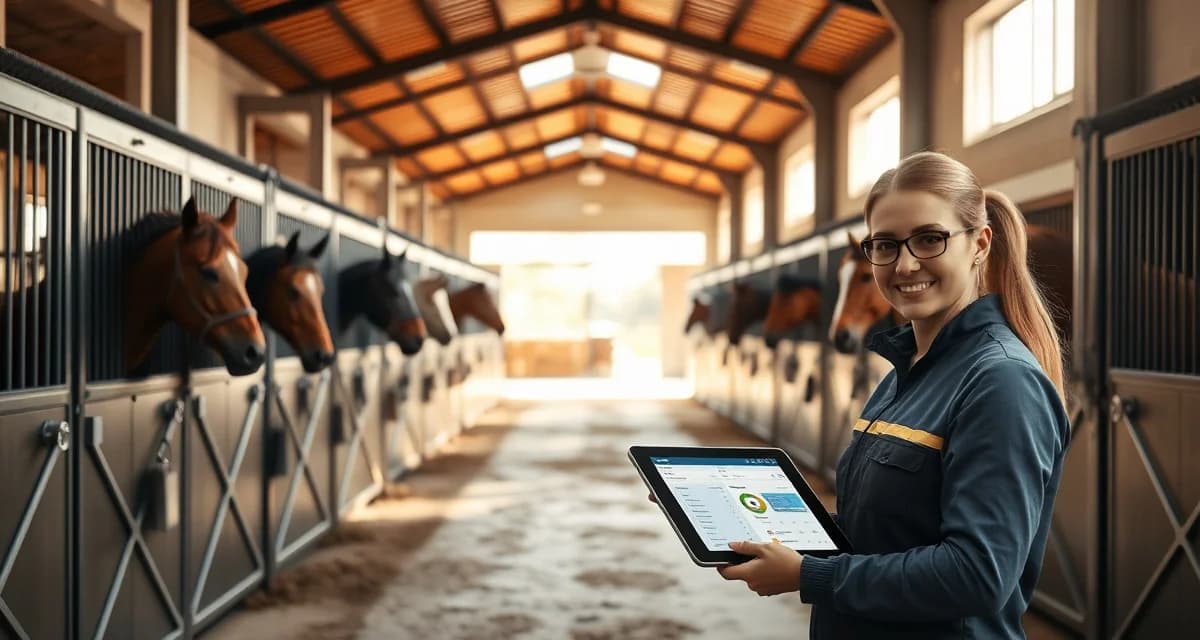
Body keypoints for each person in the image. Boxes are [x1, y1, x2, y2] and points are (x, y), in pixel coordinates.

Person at [716, 151, 1070, 639]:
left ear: (980, 244)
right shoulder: (904, 374)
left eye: (929, 239)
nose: (904, 265)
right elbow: (881, 529)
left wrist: (808, 574)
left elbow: (978, 574)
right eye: (883, 245)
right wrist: (727, 511)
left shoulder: (1001, 381)